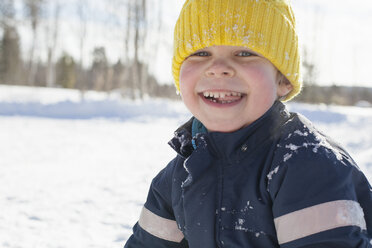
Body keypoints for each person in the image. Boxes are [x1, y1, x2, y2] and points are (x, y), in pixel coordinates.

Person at [124, 0, 372, 247]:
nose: (218, 68)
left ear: (283, 80)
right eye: (200, 53)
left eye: (244, 53)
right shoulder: (180, 173)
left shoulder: (307, 165)